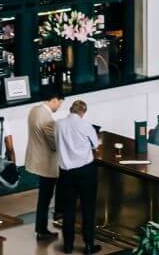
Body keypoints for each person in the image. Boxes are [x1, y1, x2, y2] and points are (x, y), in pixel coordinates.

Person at [55, 98, 102, 255]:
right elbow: (95, 144)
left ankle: (68, 245)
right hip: (85, 171)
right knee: (87, 208)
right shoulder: (85, 125)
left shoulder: (59, 124)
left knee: (68, 209)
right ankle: (88, 245)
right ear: (83, 112)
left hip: (66, 173)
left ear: (71, 110)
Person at [25, 86, 63, 241]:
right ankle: (42, 230)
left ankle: (41, 228)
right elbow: (54, 145)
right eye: (60, 103)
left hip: (36, 160)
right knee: (45, 199)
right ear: (54, 100)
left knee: (43, 197)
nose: (60, 106)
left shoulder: (34, 110)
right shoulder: (47, 118)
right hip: (47, 164)